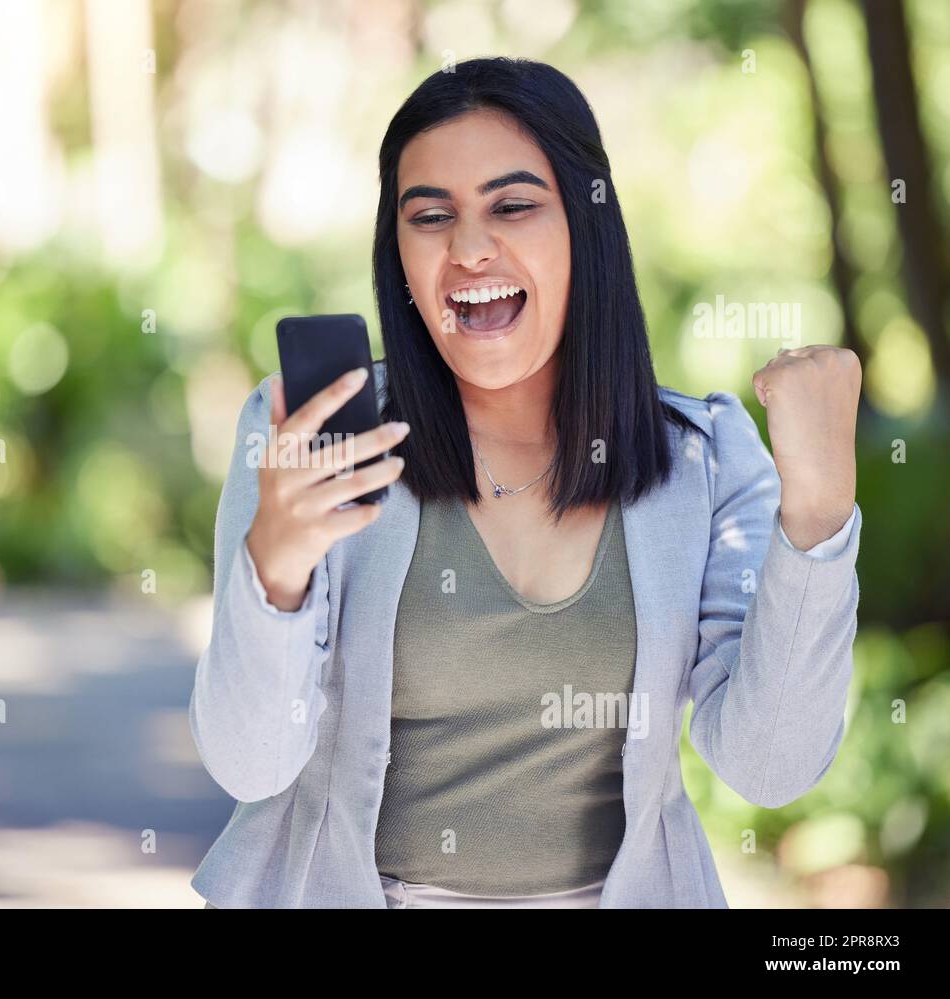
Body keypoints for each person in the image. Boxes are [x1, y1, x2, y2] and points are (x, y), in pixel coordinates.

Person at [190, 56, 862, 908]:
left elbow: (770, 766)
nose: (469, 248)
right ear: (395, 249)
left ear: (589, 224)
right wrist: (274, 570)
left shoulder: (703, 457)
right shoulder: (312, 434)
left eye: (512, 205)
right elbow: (251, 761)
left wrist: (820, 510)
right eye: (430, 215)